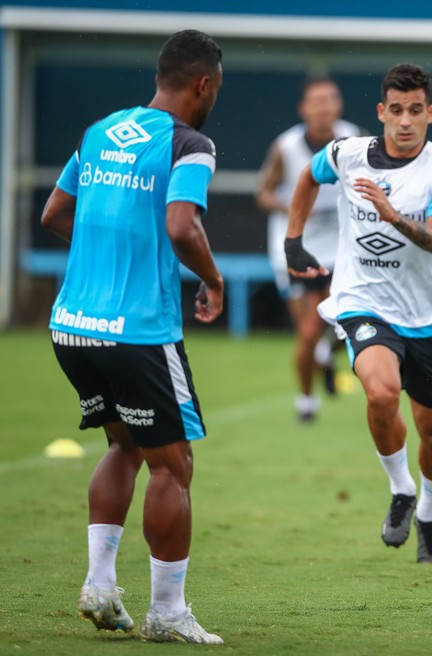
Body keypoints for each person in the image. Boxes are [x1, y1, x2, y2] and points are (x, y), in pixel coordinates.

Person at [41, 30, 224, 644]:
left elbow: (54, 215)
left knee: (122, 445)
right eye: (216, 89)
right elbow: (181, 224)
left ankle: (99, 584)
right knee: (173, 465)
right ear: (204, 84)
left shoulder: (98, 131)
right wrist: (212, 278)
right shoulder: (190, 143)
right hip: (139, 332)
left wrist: (102, 257)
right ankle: (167, 613)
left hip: (72, 326)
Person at [285, 64, 432, 564]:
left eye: (415, 112)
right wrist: (293, 242)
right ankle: (401, 487)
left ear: (429, 114)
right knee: (381, 392)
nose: (405, 122)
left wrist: (389, 215)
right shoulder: (348, 154)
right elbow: (306, 177)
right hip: (365, 301)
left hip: (430, 314)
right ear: (381, 112)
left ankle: (428, 513)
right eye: (396, 111)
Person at [256, 78, 362, 422]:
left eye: (330, 100)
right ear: (304, 109)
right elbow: (264, 193)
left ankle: (326, 353)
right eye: (316, 101)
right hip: (297, 247)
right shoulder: (285, 147)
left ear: (339, 105)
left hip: (341, 247)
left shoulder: (352, 138)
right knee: (308, 330)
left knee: (345, 320)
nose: (324, 107)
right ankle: (306, 399)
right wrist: (296, 207)